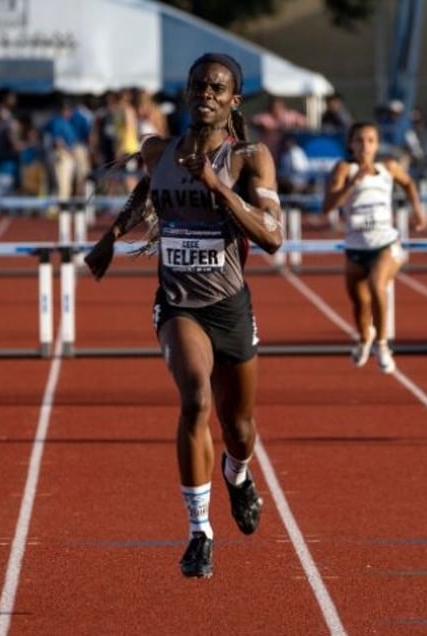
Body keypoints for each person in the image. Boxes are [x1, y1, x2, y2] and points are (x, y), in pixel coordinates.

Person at [84, 52, 283, 579]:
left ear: (233, 100)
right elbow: (146, 192)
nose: (206, 94)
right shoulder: (158, 150)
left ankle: (237, 477)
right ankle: (200, 532)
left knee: (238, 426)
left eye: (218, 88)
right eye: (199, 85)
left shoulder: (248, 159)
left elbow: (273, 237)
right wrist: (109, 239)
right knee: (195, 397)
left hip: (230, 306)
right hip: (177, 304)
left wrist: (219, 190)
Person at [322, 121, 427, 373]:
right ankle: (364, 338)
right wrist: (351, 184)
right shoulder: (344, 169)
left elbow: (409, 184)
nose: (364, 146)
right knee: (360, 304)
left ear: (377, 144)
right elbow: (327, 207)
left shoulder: (388, 167)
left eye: (370, 140)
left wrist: (419, 212)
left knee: (377, 286)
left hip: (385, 243)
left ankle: (382, 344)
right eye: (359, 140)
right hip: (356, 247)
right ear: (350, 144)